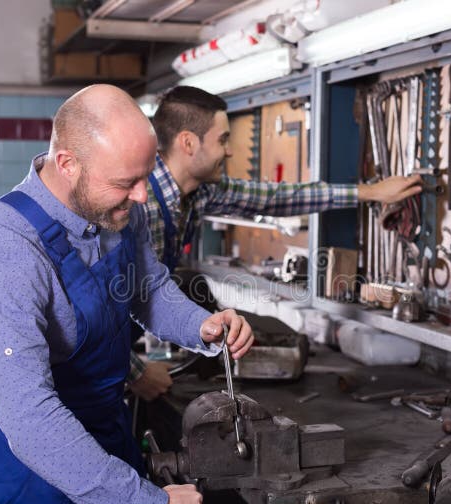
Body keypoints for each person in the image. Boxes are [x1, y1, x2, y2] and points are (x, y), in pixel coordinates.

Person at [0, 84, 253, 504]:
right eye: (125, 183)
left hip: (107, 437)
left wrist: (200, 326)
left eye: (144, 178)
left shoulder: (116, 211)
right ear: (68, 163)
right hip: (24, 476)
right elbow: (31, 420)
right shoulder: (3, 253)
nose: (141, 198)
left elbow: (147, 288)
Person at [128, 85, 423, 401]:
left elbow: (276, 199)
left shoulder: (199, 193)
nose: (229, 151)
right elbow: (103, 303)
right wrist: (134, 372)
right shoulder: (140, 205)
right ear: (188, 142)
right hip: (103, 364)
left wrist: (369, 193)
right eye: (223, 140)